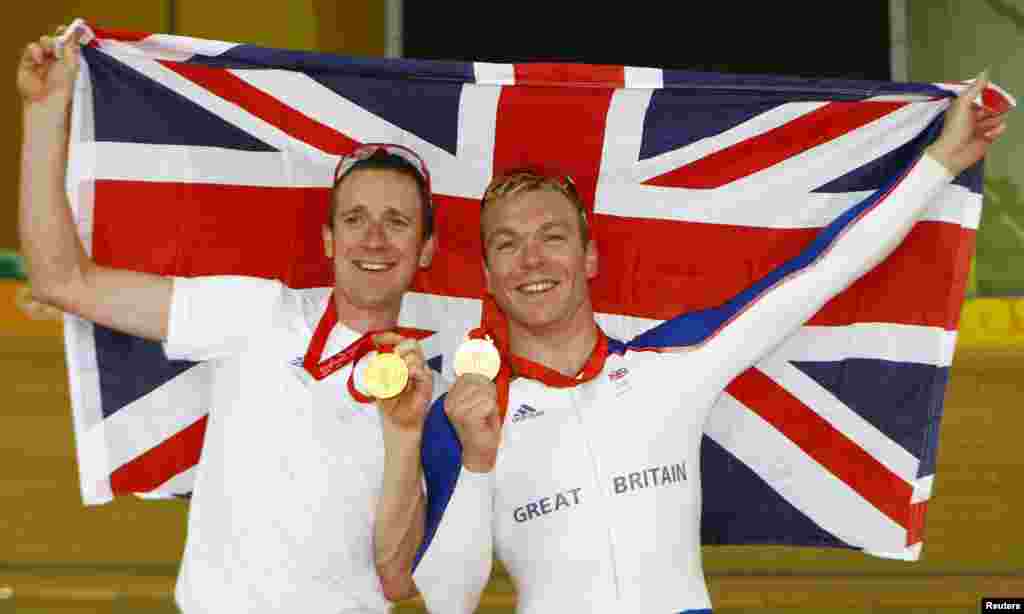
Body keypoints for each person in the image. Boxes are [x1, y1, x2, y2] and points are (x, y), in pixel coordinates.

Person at [399, 76, 1008, 613]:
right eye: (507, 243)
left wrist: (941, 161)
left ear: (588, 258)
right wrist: (477, 463)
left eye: (551, 236)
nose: (531, 259)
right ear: (486, 274)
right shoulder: (463, 412)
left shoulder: (675, 366)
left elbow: (820, 271)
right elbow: (451, 599)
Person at [18, 27, 440, 614]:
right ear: (327, 239)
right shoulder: (257, 312)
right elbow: (63, 281)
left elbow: (396, 579)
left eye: (397, 221)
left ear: (426, 249)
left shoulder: (433, 390)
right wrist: (44, 115)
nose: (374, 237)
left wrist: (404, 434)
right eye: (355, 219)